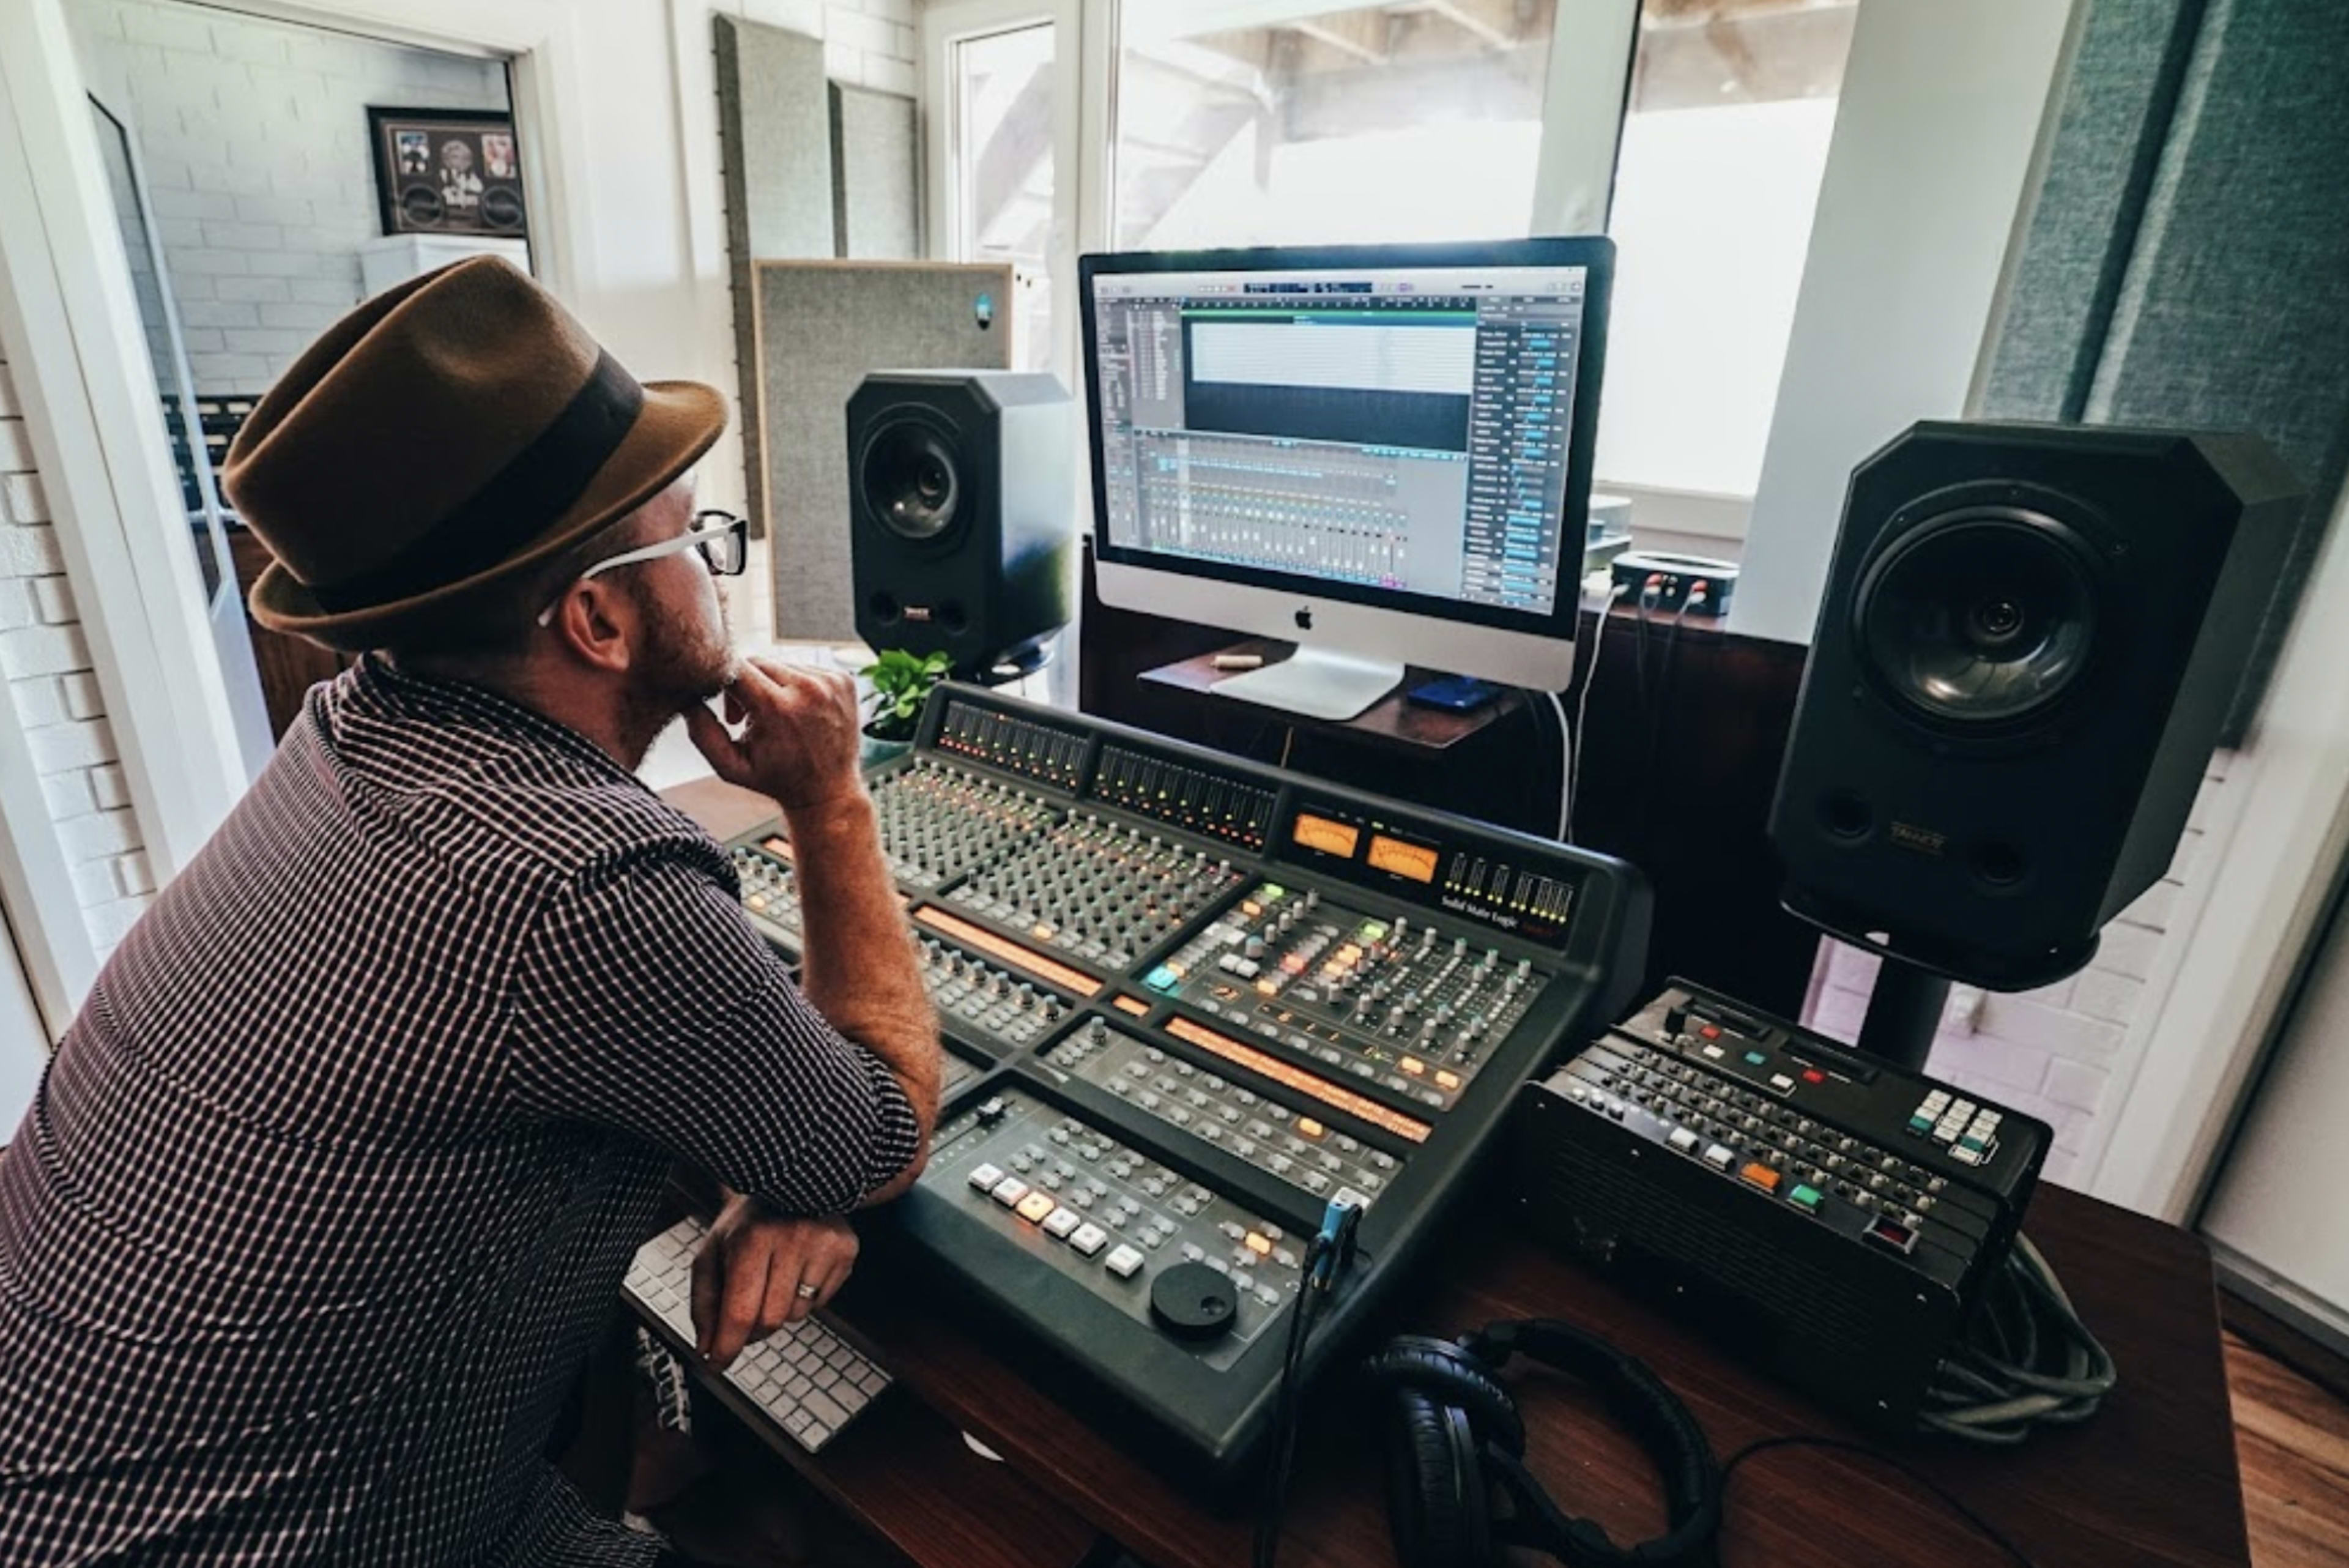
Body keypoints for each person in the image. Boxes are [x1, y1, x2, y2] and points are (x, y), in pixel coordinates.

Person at [0, 257, 940, 1566]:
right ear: (602, 617)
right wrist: (832, 806)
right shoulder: (586, 883)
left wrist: (776, 1152)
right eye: (698, 538)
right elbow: (875, 1134)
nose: (718, 569)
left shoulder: (344, 728)